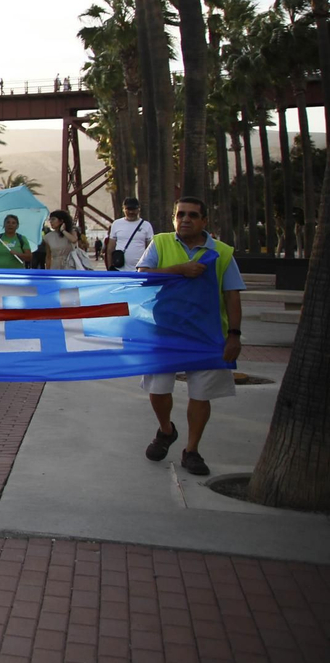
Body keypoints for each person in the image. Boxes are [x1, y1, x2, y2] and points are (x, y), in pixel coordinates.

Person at [138, 197, 246, 476]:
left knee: (201, 394)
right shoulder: (160, 243)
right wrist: (179, 270)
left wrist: (234, 335)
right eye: (180, 214)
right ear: (173, 218)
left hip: (207, 336)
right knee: (158, 389)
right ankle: (166, 430)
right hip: (165, 333)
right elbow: (142, 276)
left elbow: (232, 295)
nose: (185, 219)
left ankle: (192, 450)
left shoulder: (222, 252)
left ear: (204, 221)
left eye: (193, 215)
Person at [105, 197, 153, 272]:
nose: (131, 212)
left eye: (133, 209)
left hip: (139, 270)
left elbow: (150, 249)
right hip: (119, 269)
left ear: (138, 209)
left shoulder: (146, 225)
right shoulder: (116, 224)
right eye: (128, 209)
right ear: (123, 209)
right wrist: (110, 268)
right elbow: (110, 249)